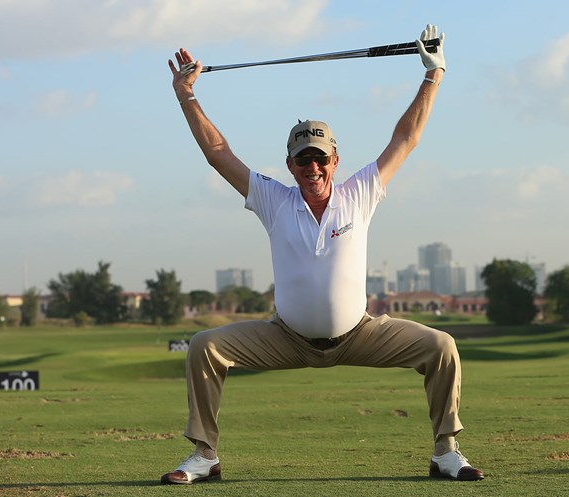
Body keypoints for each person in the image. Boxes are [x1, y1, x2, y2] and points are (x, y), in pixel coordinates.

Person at [162, 23, 484, 485]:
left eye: (320, 159)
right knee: (204, 346)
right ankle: (204, 455)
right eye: (302, 160)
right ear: (289, 164)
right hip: (285, 337)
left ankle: (446, 452)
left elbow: (405, 140)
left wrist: (433, 75)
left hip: (360, 333)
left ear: (335, 160)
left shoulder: (360, 192)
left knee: (442, 347)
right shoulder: (273, 199)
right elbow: (218, 153)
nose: (312, 168)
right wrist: (186, 95)